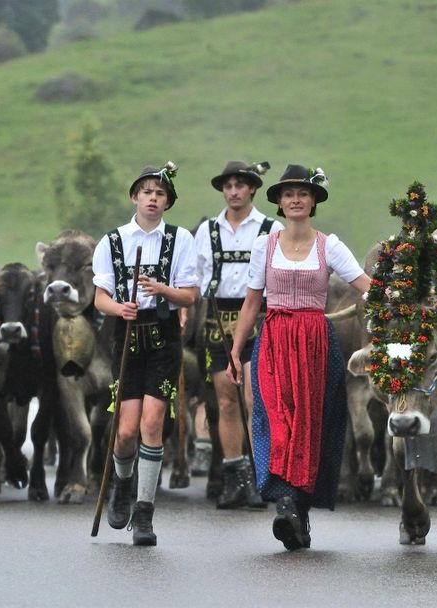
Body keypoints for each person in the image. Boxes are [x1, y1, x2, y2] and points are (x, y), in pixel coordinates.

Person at [227, 164, 370, 551]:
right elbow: (252, 301)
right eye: (288, 194)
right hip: (273, 338)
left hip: (314, 340)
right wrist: (237, 351)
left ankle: (296, 508)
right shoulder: (265, 245)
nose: (295, 200)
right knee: (276, 419)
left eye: (302, 194)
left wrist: (400, 300)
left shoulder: (329, 245)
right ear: (278, 201)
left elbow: (365, 287)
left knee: (308, 424)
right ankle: (286, 501)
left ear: (312, 202)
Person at [93, 163, 199, 546]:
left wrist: (161, 290)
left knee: (152, 425)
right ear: (134, 197)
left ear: (168, 202)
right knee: (124, 431)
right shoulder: (113, 241)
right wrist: (118, 308)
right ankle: (122, 483)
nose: (153, 198)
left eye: (160, 193)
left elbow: (190, 294)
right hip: (126, 338)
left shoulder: (180, 239)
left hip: (164, 338)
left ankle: (144, 513)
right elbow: (99, 296)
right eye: (147, 191)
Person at [194, 160, 283, 509]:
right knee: (226, 402)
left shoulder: (269, 228)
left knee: (253, 401)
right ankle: (235, 479)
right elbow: (198, 276)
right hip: (217, 319)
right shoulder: (207, 231)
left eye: (240, 185)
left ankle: (260, 478)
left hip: (258, 318)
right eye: (228, 186)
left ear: (252, 189)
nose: (233, 191)